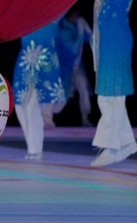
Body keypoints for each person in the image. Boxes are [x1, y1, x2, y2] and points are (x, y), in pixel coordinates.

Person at [88, 0, 137, 167]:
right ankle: (126, 143)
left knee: (111, 96)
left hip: (116, 44)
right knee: (111, 95)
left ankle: (111, 147)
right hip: (107, 43)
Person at [12, 19, 64, 161]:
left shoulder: (54, 11)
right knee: (19, 105)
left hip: (44, 59)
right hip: (26, 58)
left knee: (31, 108)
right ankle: (32, 148)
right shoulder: (27, 11)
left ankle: (34, 150)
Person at [54, 8, 94, 126]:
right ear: (70, 17)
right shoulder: (63, 31)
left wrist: (86, 28)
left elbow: (92, 41)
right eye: (77, 16)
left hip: (77, 67)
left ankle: (85, 117)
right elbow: (73, 49)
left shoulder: (77, 27)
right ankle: (48, 116)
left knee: (83, 89)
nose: (78, 19)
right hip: (65, 68)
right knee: (63, 95)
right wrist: (81, 33)